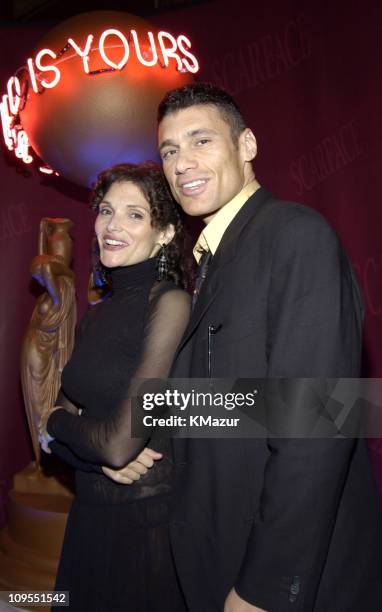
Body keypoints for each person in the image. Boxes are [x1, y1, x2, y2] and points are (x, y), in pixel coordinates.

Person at [107, 84, 382, 612]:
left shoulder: (295, 235)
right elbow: (238, 401)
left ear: (247, 145)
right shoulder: (209, 260)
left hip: (277, 580)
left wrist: (267, 589)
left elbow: (319, 425)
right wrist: (132, 442)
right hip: (217, 557)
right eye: (169, 150)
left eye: (201, 140)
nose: (182, 162)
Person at [38, 162, 191, 611]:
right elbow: (67, 441)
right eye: (106, 211)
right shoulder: (96, 314)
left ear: (163, 233)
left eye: (134, 214)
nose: (113, 226)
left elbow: (117, 447)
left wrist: (58, 422)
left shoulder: (169, 303)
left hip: (145, 529)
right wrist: (84, 449)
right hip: (88, 515)